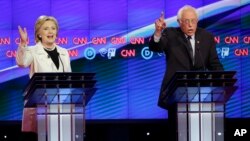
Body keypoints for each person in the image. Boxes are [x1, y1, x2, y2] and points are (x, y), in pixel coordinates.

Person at [148, 5, 224, 141]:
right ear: (179, 22)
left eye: (193, 21)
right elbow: (155, 47)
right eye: (186, 21)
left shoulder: (206, 37)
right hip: (176, 94)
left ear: (197, 21)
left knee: (201, 134)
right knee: (178, 134)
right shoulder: (170, 34)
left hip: (202, 95)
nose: (190, 25)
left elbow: (214, 64)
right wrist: (158, 32)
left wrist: (223, 80)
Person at [16, 15, 71, 134]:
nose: (50, 31)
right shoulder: (32, 51)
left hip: (61, 105)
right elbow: (21, 63)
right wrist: (23, 43)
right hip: (40, 105)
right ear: (39, 34)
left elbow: (68, 78)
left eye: (53, 28)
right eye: (46, 28)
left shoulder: (64, 52)